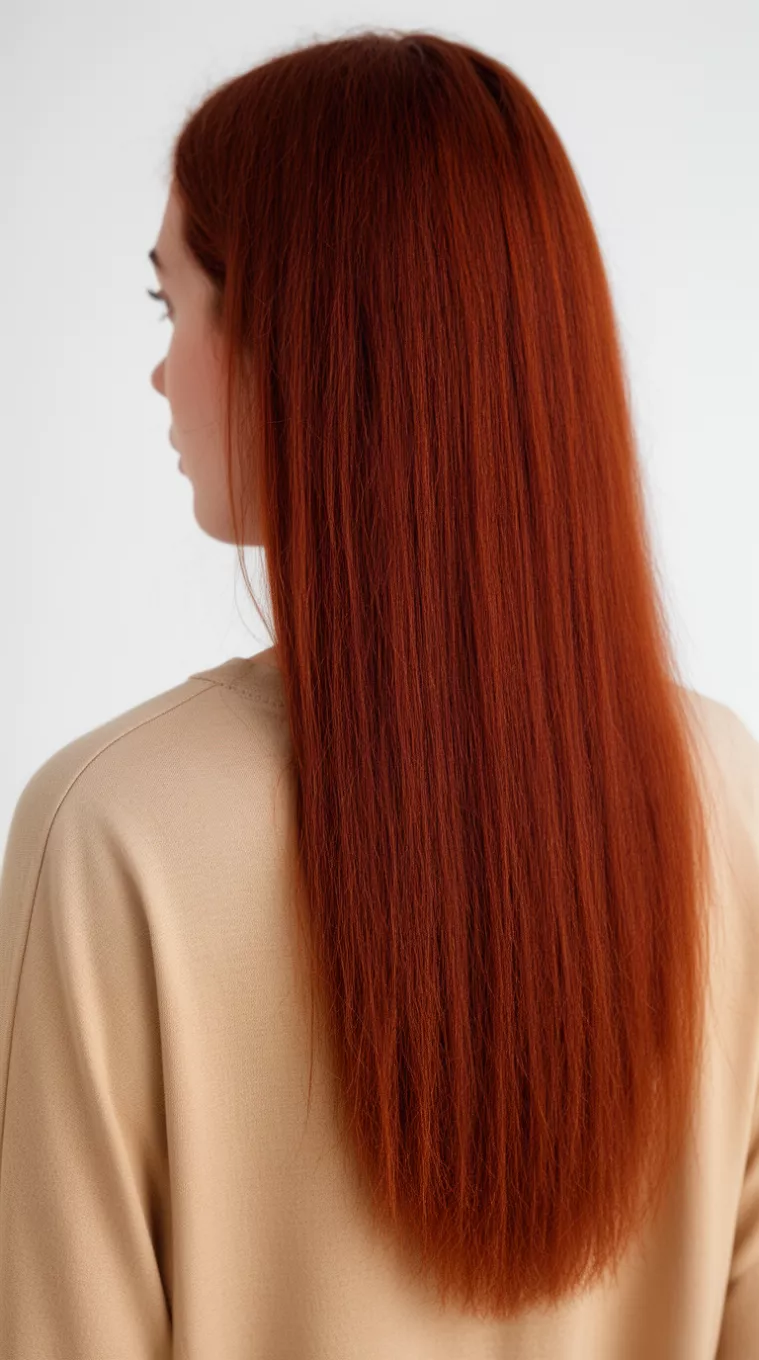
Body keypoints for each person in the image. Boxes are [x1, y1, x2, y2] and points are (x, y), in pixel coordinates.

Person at [1, 29, 757, 1359]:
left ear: (303, 338)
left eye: (173, 306)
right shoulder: (723, 799)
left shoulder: (106, 836)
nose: (161, 375)